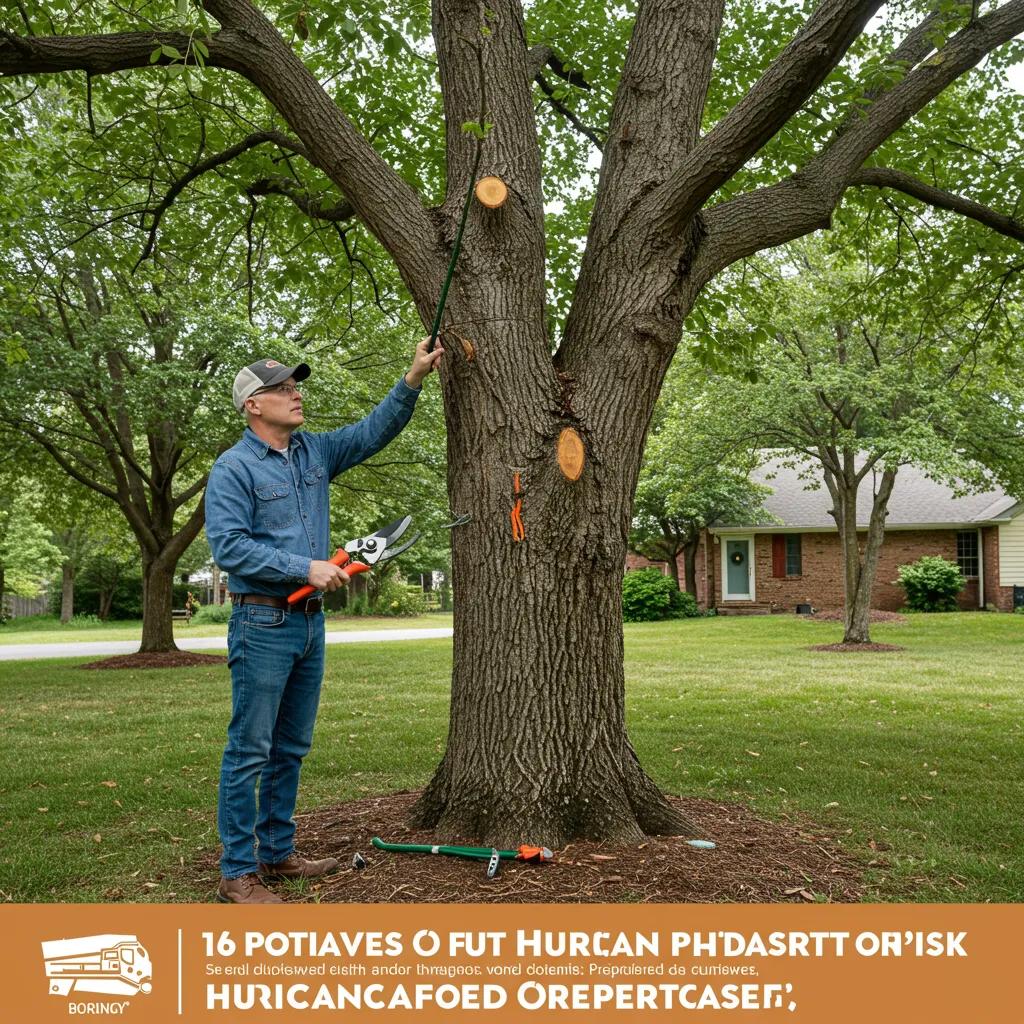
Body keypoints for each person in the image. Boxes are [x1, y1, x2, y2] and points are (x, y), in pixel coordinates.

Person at [205, 338, 442, 904]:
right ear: (253, 405)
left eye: (295, 385)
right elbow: (230, 548)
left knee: (291, 747)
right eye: (282, 388)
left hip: (310, 625)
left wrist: (410, 379)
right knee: (250, 750)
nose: (295, 393)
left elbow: (370, 432)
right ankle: (238, 872)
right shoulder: (233, 468)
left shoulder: (313, 454)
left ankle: (278, 853)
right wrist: (304, 566)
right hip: (261, 623)